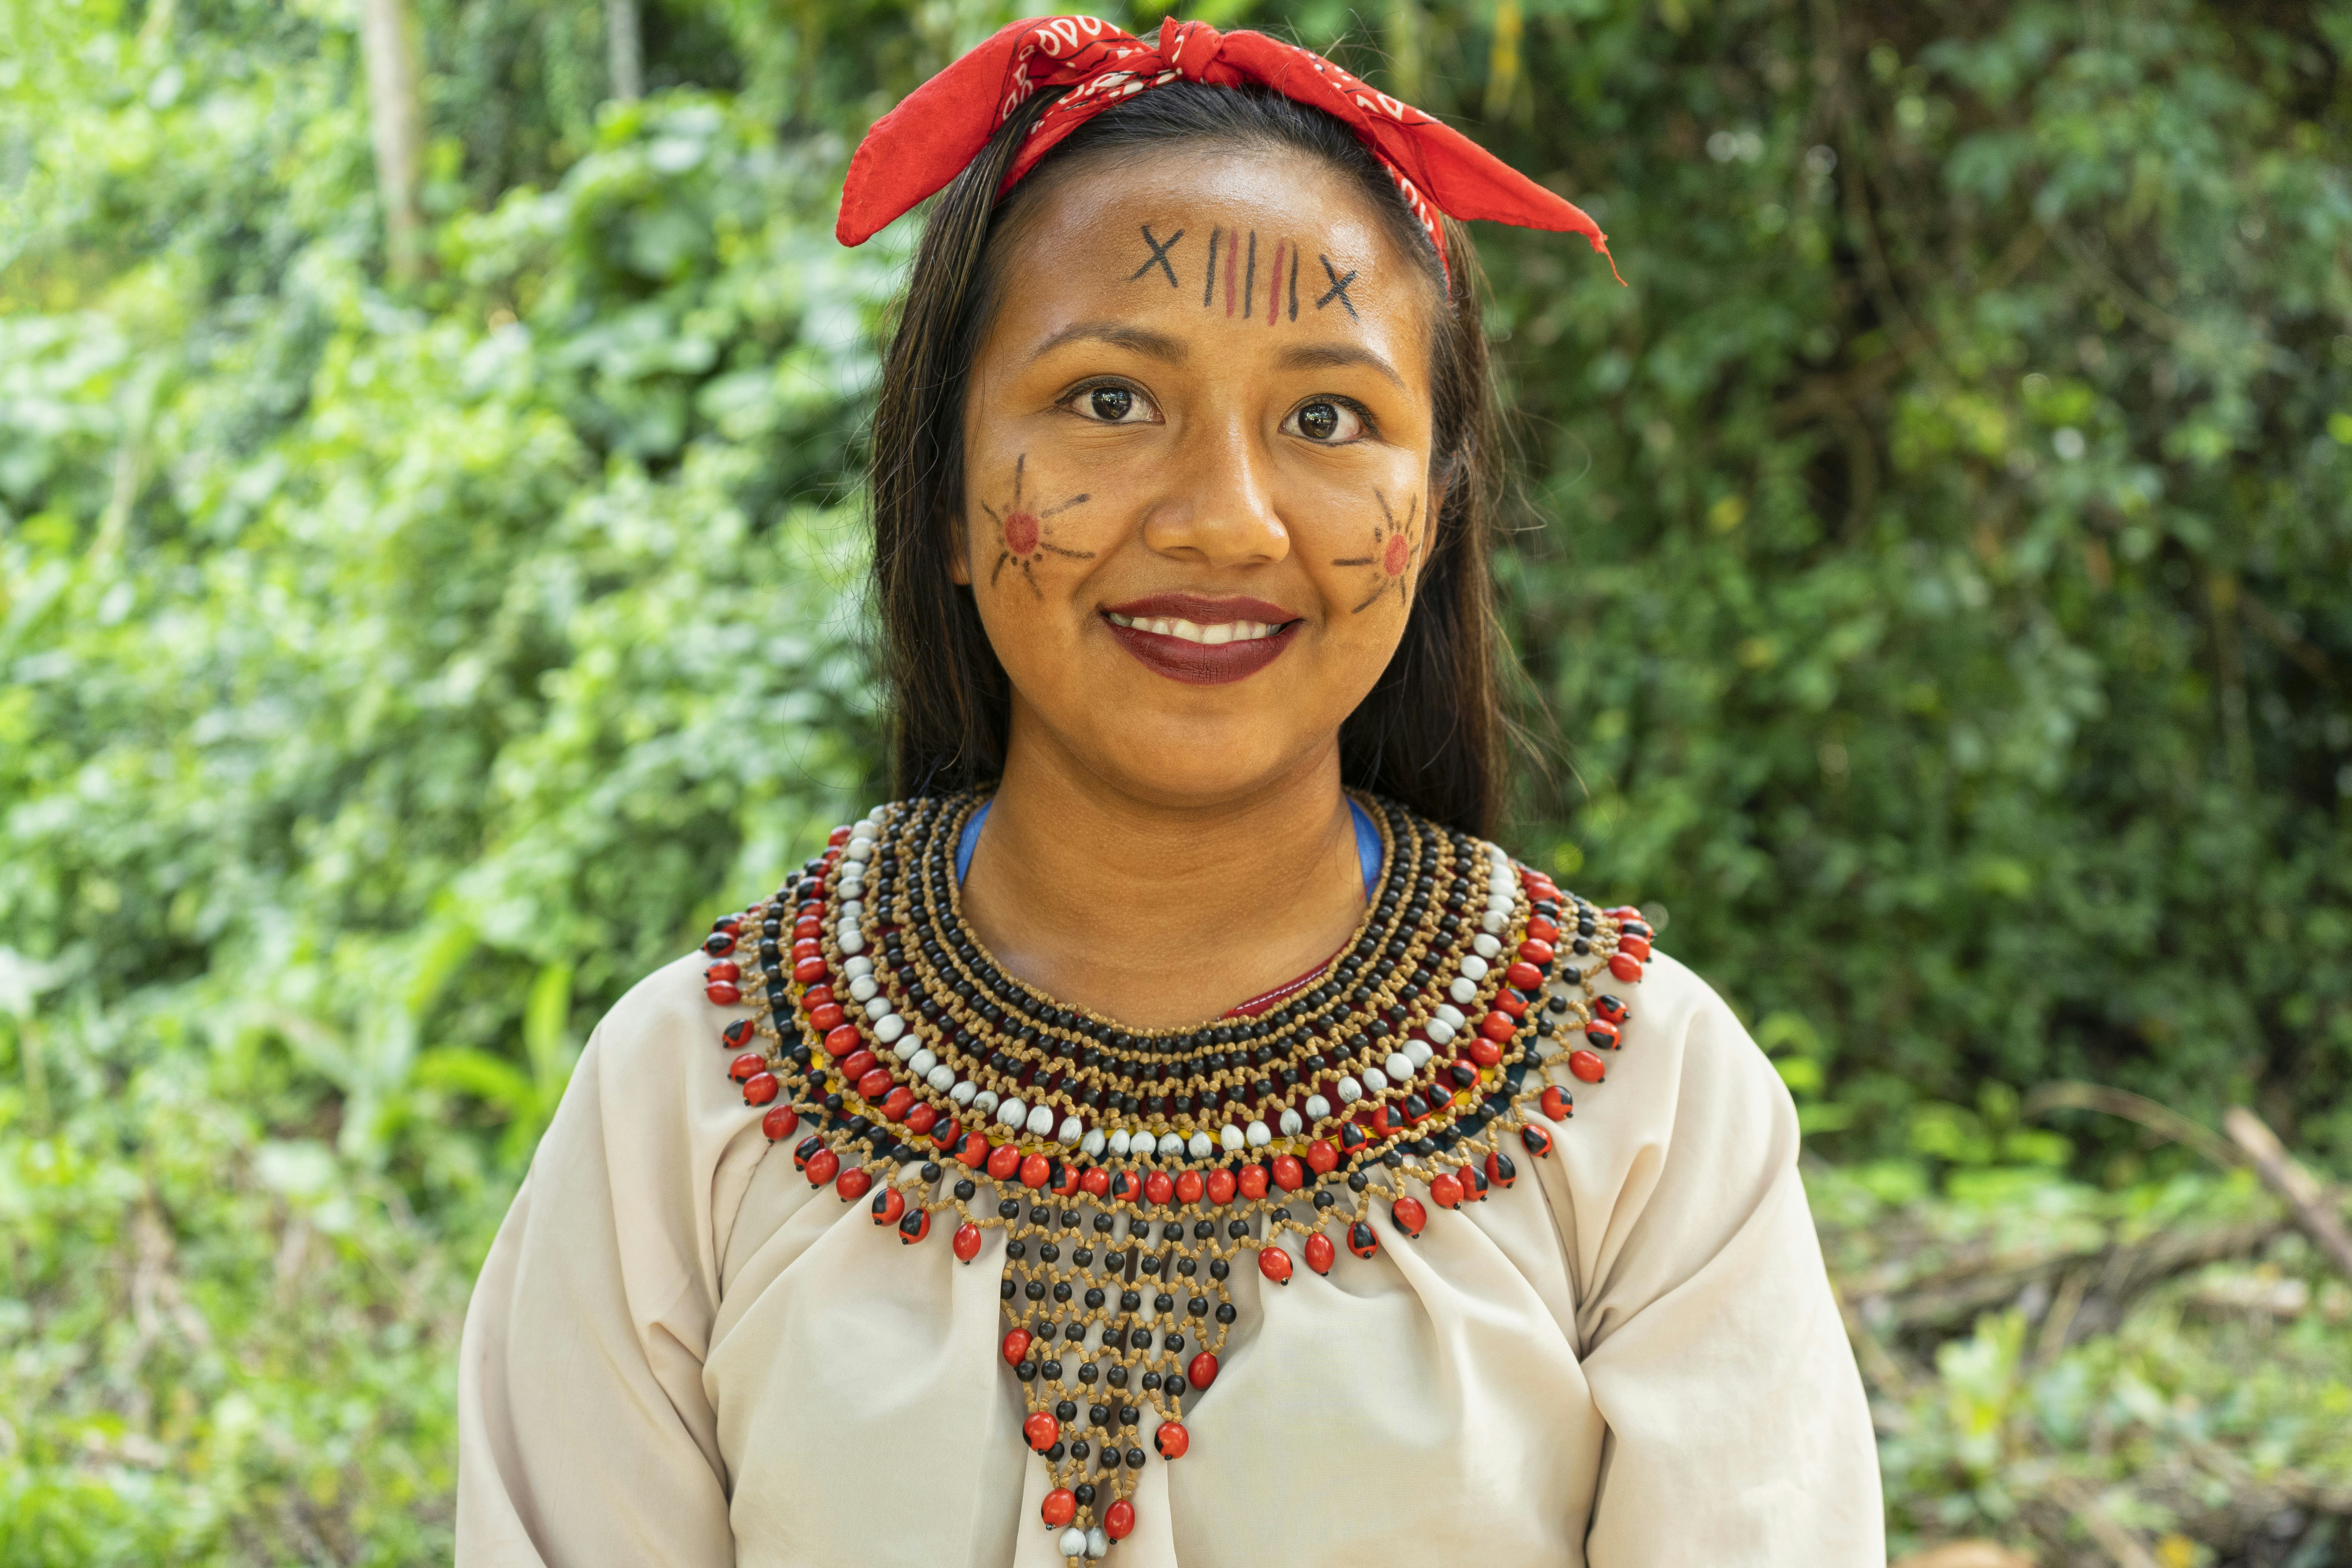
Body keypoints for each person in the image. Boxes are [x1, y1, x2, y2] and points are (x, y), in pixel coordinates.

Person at [455, 17, 1882, 1566]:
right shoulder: (690, 1098)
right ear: (941, 487)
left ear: (1434, 505)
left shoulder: (1649, 1106)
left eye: (1327, 419)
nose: (1227, 520)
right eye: (1110, 404)